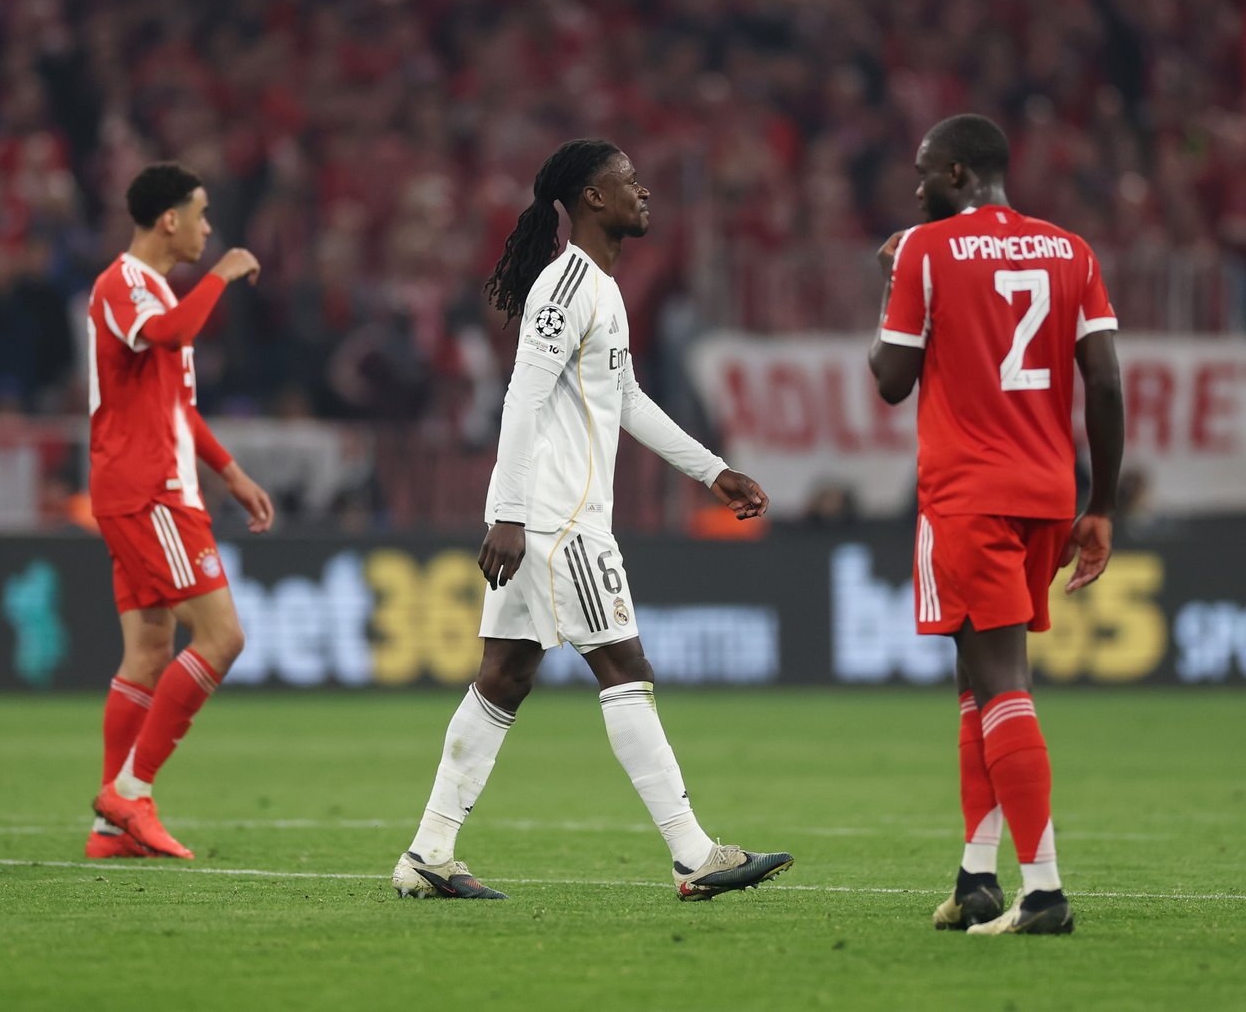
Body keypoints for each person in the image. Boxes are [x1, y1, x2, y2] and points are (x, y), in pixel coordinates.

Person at [391, 139, 794, 901]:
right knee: (626, 667)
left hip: (546, 516)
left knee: (505, 677)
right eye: (628, 181)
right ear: (592, 199)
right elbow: (521, 395)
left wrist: (712, 470)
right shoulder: (568, 284)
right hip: (556, 519)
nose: (644, 191)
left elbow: (626, 399)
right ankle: (694, 854)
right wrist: (510, 514)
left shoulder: (601, 289)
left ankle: (428, 853)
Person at [870, 114, 1124, 936]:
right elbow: (1106, 383)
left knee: (1003, 680)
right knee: (977, 678)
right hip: (1048, 496)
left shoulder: (924, 250)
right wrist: (1101, 504)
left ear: (954, 173)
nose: (915, 188)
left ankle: (1043, 890)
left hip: (968, 494)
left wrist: (889, 281)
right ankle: (977, 876)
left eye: (922, 172)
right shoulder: (1071, 250)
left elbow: (891, 379)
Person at [84, 163, 274, 859]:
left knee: (148, 652)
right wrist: (221, 275)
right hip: (148, 491)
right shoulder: (123, 284)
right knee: (222, 638)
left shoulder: (155, 290)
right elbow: (167, 333)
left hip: (153, 486)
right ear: (170, 220)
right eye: (201, 213)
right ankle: (131, 791)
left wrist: (231, 473)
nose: (207, 228)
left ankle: (111, 830)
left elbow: (177, 408)